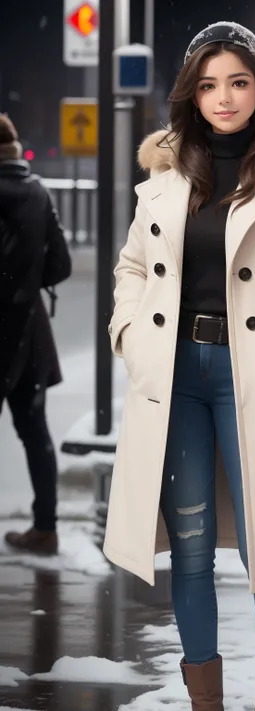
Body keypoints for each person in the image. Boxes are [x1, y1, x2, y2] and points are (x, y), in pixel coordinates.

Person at [104, 21, 255, 711]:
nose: (224, 97)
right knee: (192, 544)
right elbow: (131, 268)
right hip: (175, 377)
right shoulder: (168, 170)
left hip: (253, 378)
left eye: (239, 81)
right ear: (192, 93)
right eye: (209, 84)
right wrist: (128, 333)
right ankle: (205, 701)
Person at [0, 113, 71, 556]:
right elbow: (60, 266)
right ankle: (46, 527)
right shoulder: (39, 191)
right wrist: (26, 282)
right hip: (27, 333)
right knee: (35, 432)